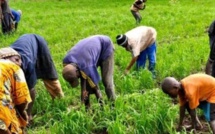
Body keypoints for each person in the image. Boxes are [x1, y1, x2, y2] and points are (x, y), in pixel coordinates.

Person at [0, 34, 64, 123]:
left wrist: (27, 114)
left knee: (49, 75)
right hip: (26, 48)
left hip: (39, 44)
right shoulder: (4, 67)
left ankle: (60, 101)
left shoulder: (25, 64)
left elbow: (31, 90)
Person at [62, 35, 116, 109]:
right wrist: (83, 100)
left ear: (77, 71)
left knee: (107, 81)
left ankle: (113, 105)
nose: (78, 79)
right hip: (89, 52)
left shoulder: (86, 67)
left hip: (105, 46)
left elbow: (96, 89)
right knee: (87, 80)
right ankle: (88, 108)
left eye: (76, 78)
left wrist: (101, 106)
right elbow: (82, 77)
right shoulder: (66, 62)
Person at [0, 49, 32, 134]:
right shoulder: (12, 67)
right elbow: (22, 99)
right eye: (16, 59)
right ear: (5, 58)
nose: (20, 63)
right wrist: (23, 116)